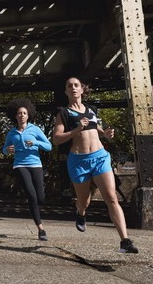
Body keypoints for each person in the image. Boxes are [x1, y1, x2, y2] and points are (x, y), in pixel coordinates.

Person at [50, 76, 138, 253]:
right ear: (66, 91)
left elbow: (96, 128)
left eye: (76, 85)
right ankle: (81, 212)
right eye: (69, 86)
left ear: (82, 89)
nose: (73, 88)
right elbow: (56, 139)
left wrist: (105, 133)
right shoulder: (64, 113)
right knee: (84, 201)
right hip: (78, 160)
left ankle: (125, 241)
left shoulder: (92, 110)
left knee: (111, 198)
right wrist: (76, 130)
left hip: (100, 157)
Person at [2, 97, 52, 242]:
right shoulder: (12, 133)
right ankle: (41, 229)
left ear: (28, 115)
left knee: (40, 198)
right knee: (31, 195)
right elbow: (4, 149)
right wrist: (8, 150)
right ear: (15, 116)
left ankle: (38, 204)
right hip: (20, 165)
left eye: (24, 113)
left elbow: (49, 146)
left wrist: (36, 142)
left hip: (35, 164)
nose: (22, 115)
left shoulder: (35, 130)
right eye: (19, 113)